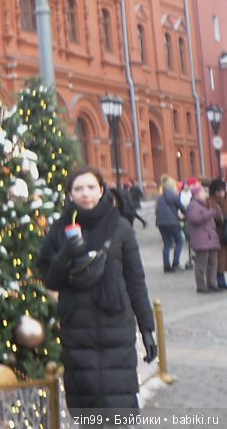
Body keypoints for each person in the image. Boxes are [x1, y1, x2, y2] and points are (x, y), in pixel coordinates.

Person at [37, 166, 156, 419]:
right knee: (88, 411)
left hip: (116, 327)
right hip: (78, 331)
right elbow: (50, 279)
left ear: (101, 190)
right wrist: (66, 253)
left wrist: (147, 327)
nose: (85, 194)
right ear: (70, 194)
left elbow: (135, 280)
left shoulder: (120, 227)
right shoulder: (59, 229)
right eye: (78, 188)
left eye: (91, 187)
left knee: (118, 409)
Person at [185, 182, 222, 293]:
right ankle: (201, 286)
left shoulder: (204, 204)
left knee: (213, 263)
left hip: (211, 238)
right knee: (201, 264)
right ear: (196, 194)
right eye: (202, 192)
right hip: (201, 240)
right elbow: (195, 219)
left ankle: (212, 283)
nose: (204, 194)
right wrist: (211, 213)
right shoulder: (193, 205)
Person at [155, 175, 186, 272]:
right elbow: (182, 208)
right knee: (179, 241)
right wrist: (186, 215)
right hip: (172, 222)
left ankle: (166, 266)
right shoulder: (173, 196)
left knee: (167, 244)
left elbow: (157, 211)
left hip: (161, 223)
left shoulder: (160, 197)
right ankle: (175, 263)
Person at [206, 178, 227, 289]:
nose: (221, 193)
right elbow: (211, 216)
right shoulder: (210, 201)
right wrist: (221, 218)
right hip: (216, 234)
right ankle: (220, 281)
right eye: (219, 191)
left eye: (223, 190)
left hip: (224, 233)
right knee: (218, 259)